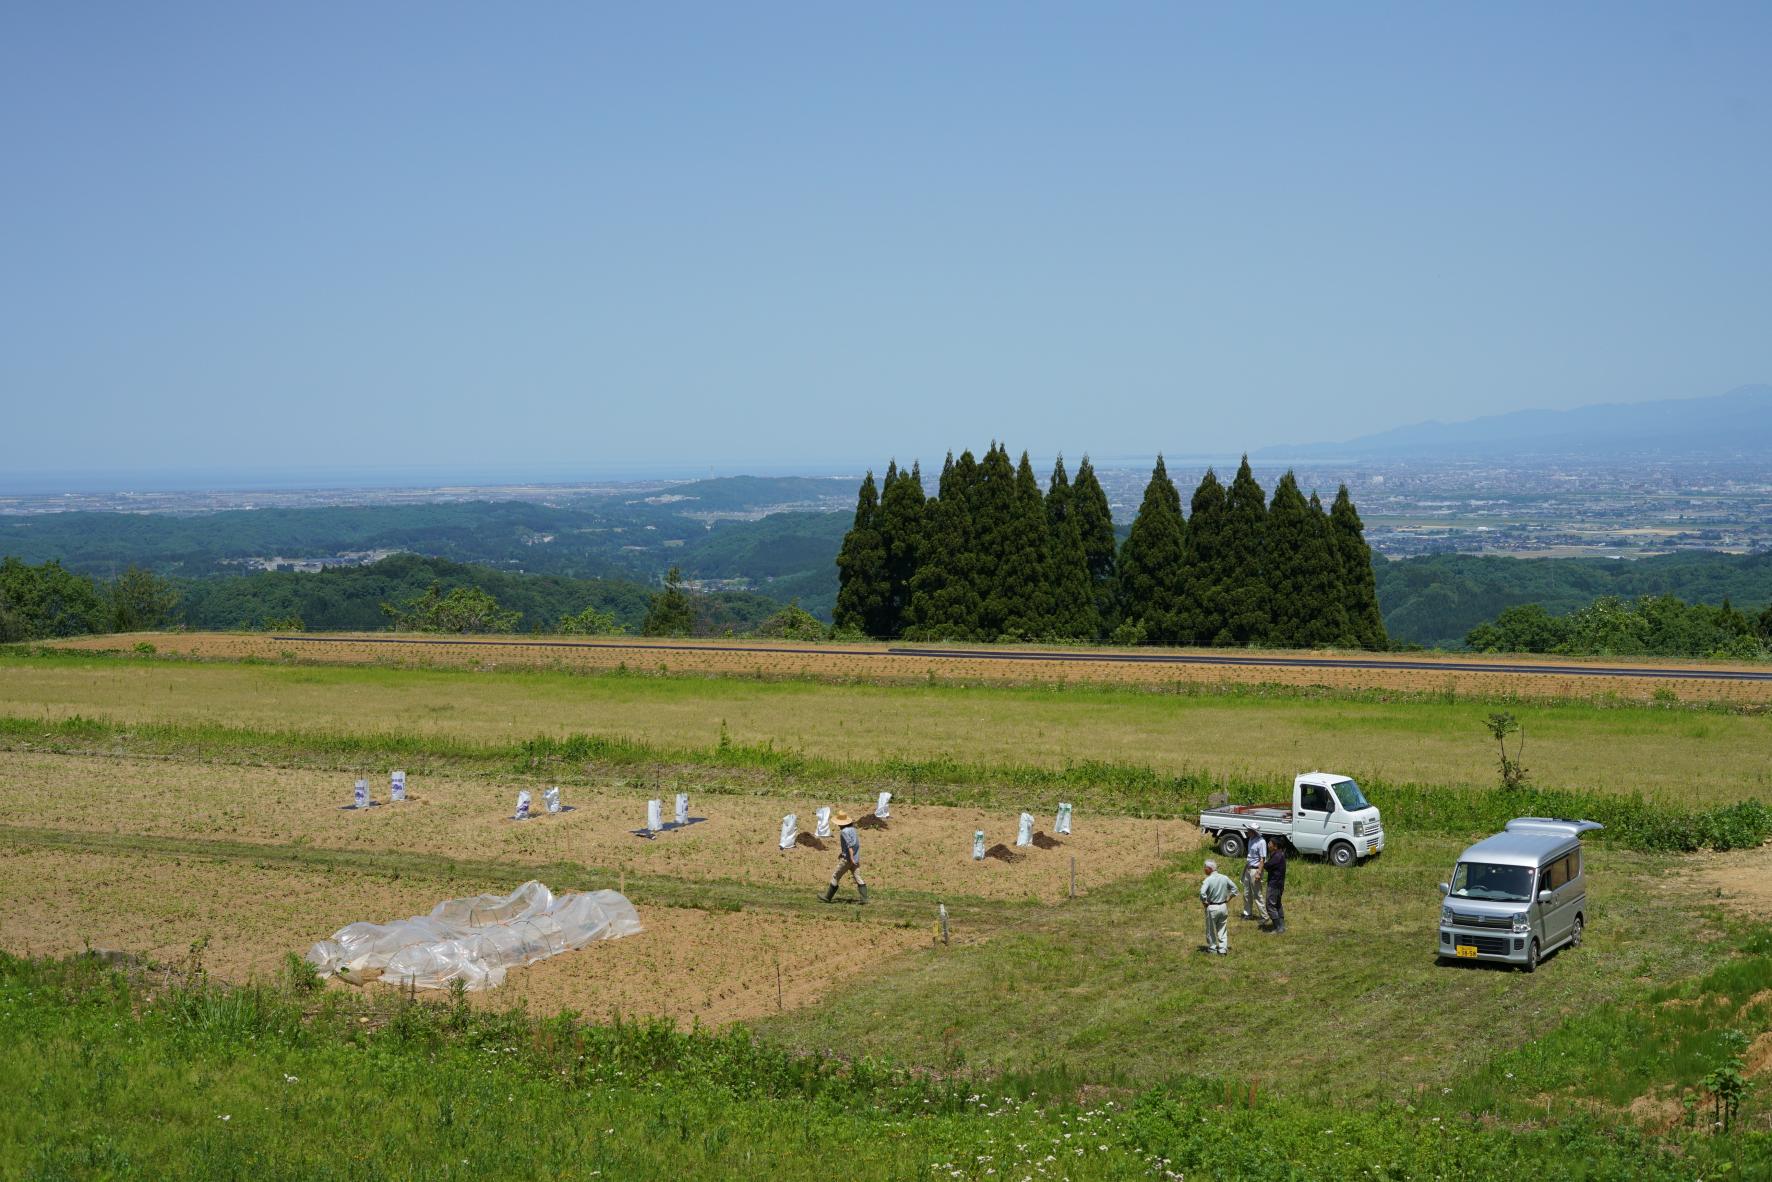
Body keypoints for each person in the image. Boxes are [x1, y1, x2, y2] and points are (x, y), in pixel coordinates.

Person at [821, 810, 868, 904]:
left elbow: (850, 846)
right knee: (857, 876)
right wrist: (851, 856)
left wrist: (850, 858)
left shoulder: (844, 831)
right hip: (856, 857)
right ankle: (864, 899)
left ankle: (828, 897)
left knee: (835, 876)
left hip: (848, 859)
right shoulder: (853, 829)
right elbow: (855, 844)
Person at [1198, 857, 1239, 955]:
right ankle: (1222, 949)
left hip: (1212, 907)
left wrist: (1204, 902)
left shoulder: (1208, 880)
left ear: (1209, 869)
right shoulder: (1224, 877)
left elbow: (1202, 893)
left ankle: (1212, 949)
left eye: (1205, 867)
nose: (1204, 869)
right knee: (1222, 928)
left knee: (1211, 929)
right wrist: (1229, 899)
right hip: (1223, 906)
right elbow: (1235, 889)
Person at [1240, 824, 1268, 922]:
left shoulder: (1261, 842)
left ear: (1254, 831)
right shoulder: (1250, 839)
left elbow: (1262, 859)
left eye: (1249, 830)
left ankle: (1264, 916)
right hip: (1248, 868)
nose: (1247, 831)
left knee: (1257, 894)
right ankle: (1248, 914)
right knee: (1246, 893)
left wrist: (1259, 872)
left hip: (1255, 870)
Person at [1261, 834, 1289, 933]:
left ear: (1275, 846)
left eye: (1270, 843)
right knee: (1277, 904)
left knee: (1270, 905)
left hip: (1275, 884)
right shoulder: (1278, 854)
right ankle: (1281, 926)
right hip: (1278, 884)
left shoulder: (1277, 856)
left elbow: (1268, 865)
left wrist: (1263, 863)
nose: (1268, 845)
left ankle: (1278, 927)